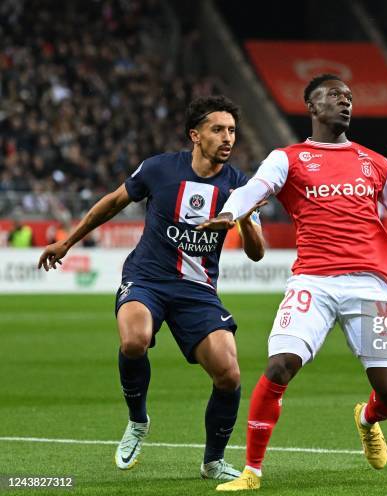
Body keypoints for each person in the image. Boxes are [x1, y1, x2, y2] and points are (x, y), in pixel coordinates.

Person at [201, 74, 387, 491]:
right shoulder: (288, 158)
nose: (344, 101)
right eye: (334, 95)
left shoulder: (375, 162)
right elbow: (255, 189)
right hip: (313, 281)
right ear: (311, 105)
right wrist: (230, 212)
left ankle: (366, 419)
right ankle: (251, 472)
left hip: (371, 286)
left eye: (349, 96)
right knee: (279, 365)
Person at [38, 96, 265, 481]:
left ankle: (212, 461)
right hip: (147, 278)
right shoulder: (160, 169)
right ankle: (138, 420)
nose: (227, 138)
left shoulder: (241, 185)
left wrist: (241, 218)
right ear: (195, 135)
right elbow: (111, 203)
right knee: (134, 340)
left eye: (231, 131)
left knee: (228, 373)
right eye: (217, 130)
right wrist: (67, 241)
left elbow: (257, 253)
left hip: (197, 291)